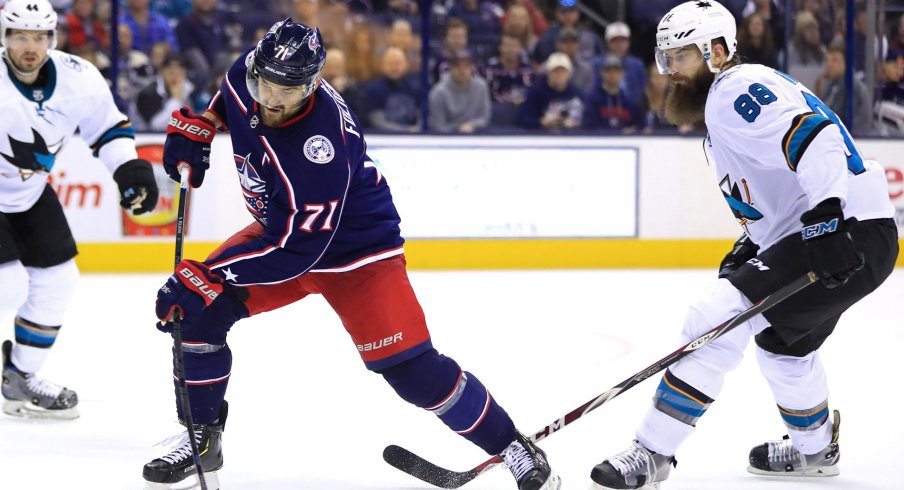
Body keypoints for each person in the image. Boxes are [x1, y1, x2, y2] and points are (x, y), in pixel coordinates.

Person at [141, 18, 562, 490]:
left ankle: (511, 445)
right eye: (265, 84)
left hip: (356, 253)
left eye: (289, 90)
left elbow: (296, 251)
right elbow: (229, 101)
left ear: (314, 84)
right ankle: (201, 437)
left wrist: (208, 273)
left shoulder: (319, 148)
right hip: (283, 233)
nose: (271, 100)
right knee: (196, 317)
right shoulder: (249, 74)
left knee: (411, 371)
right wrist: (205, 124)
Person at [590, 1, 898, 488]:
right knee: (783, 346)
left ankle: (651, 453)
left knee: (714, 318)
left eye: (682, 57)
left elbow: (814, 138)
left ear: (716, 52)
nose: (671, 71)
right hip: (858, 232)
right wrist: (755, 243)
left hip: (848, 231)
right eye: (665, 59)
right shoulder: (728, 104)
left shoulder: (731, 92)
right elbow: (783, 184)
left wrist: (825, 218)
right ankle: (815, 451)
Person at [0, 0, 159, 420]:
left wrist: (130, 169)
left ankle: (19, 378)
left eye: (39, 37)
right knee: (9, 285)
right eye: (19, 36)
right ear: (4, 37)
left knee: (58, 282)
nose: (29, 46)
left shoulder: (79, 78)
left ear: (53, 38)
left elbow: (108, 128)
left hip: (30, 193)